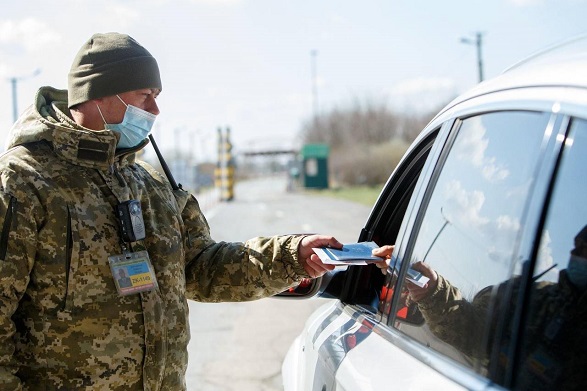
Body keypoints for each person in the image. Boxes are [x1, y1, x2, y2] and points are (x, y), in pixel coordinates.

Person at [0, 32, 344, 391]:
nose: (155, 110)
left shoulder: (149, 180)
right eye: (144, 97)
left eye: (157, 97)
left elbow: (202, 268)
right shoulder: (24, 181)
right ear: (97, 94)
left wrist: (293, 255)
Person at [373, 226, 587, 390]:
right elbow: (476, 331)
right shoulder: (527, 296)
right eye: (578, 247)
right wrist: (431, 290)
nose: (576, 250)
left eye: (584, 250)